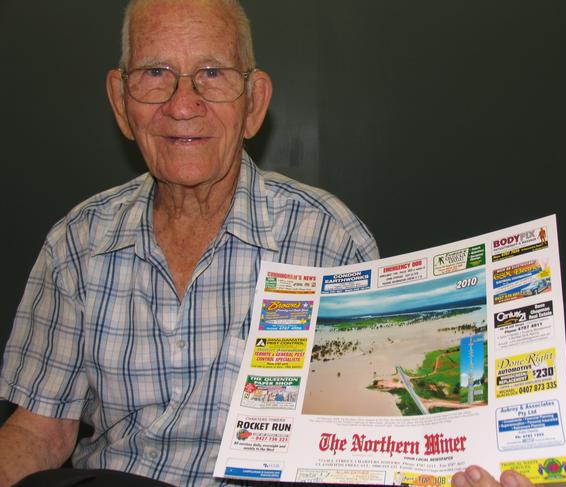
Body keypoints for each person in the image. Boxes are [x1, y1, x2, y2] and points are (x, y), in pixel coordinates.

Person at [0, 1, 534, 486]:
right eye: (155, 73)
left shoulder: (329, 240)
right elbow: (40, 431)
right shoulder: (78, 243)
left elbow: (379, 445)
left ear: (254, 103)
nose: (183, 104)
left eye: (212, 74)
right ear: (121, 101)